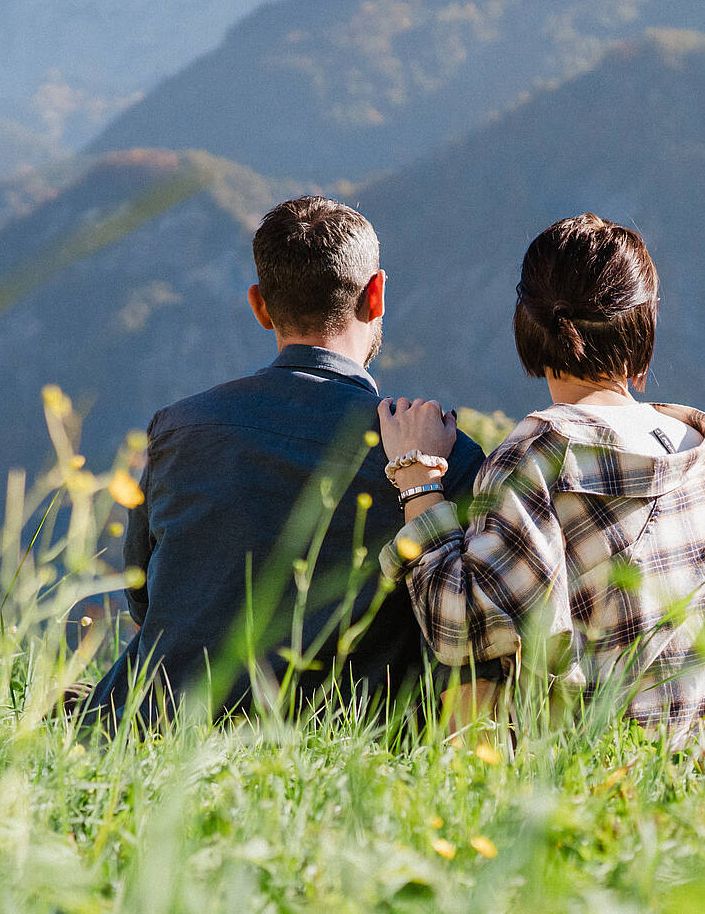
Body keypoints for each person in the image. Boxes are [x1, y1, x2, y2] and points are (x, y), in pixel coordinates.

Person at [84, 195, 485, 725]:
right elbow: (468, 632)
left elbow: (147, 603)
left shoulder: (178, 430)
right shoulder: (439, 455)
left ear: (260, 306)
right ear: (376, 294)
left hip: (151, 734)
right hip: (341, 751)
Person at [375, 214, 705, 739]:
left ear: (528, 323)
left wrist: (418, 477)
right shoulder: (694, 449)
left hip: (609, 781)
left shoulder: (542, 456)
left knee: (471, 699)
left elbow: (462, 629)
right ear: (643, 323)